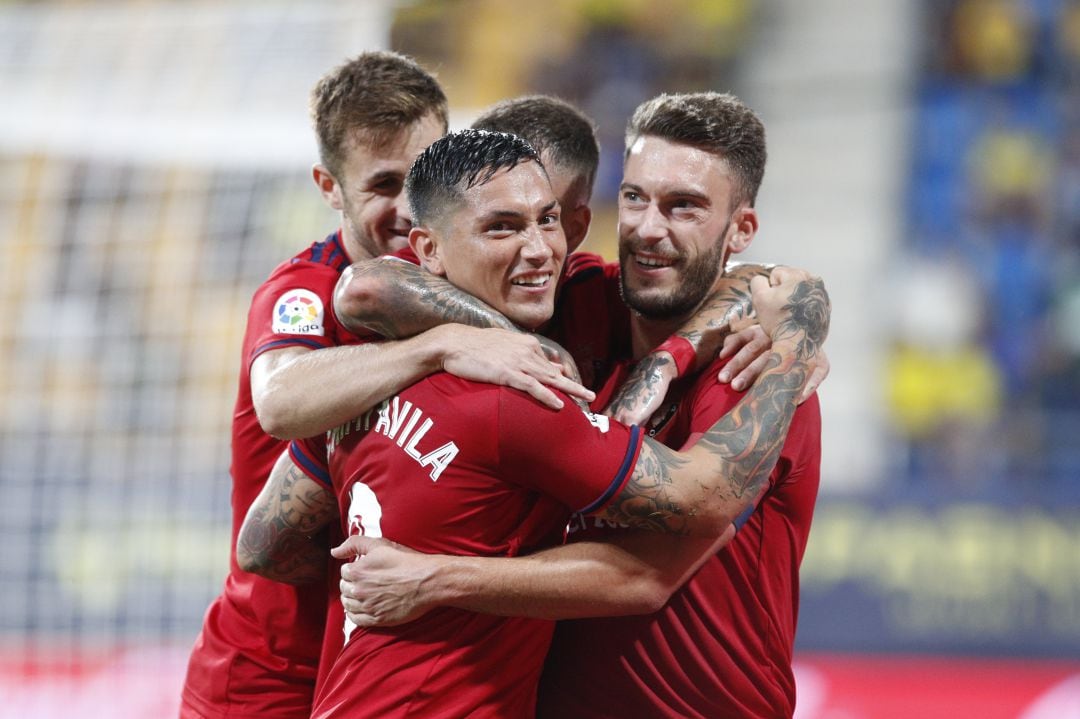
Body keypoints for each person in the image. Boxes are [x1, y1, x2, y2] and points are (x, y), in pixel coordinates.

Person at [236, 128, 828, 718]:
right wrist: (795, 344)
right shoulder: (522, 394)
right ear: (429, 248)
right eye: (501, 226)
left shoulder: (366, 376)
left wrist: (394, 578)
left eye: (548, 220)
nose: (541, 247)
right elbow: (672, 538)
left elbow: (264, 543)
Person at [179, 52, 591, 719]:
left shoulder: (466, 272)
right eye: (382, 184)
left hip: (381, 664)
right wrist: (439, 346)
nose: (405, 207)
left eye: (422, 173)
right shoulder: (302, 289)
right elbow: (281, 401)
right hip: (271, 670)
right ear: (328, 185)